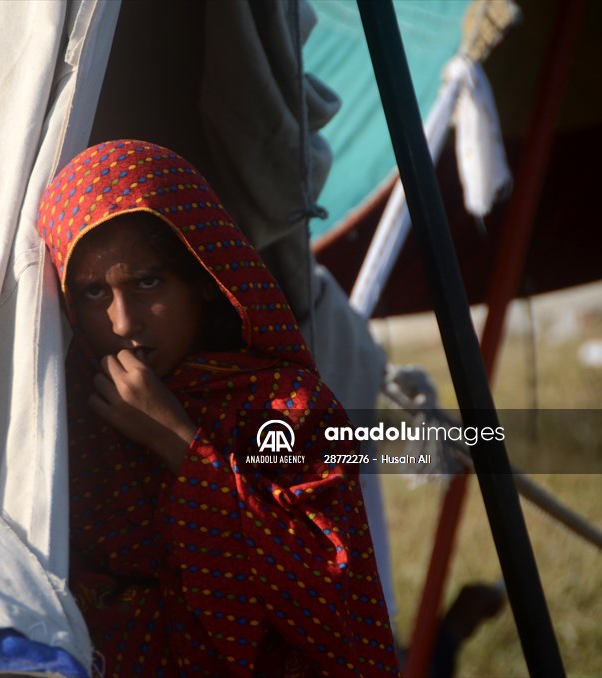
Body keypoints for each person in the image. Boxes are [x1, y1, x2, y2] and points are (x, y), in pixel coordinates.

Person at [37, 139, 399, 676]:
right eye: (93, 293)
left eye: (147, 282)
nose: (124, 322)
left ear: (204, 277)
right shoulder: (59, 416)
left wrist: (178, 443)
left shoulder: (286, 407)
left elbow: (328, 599)